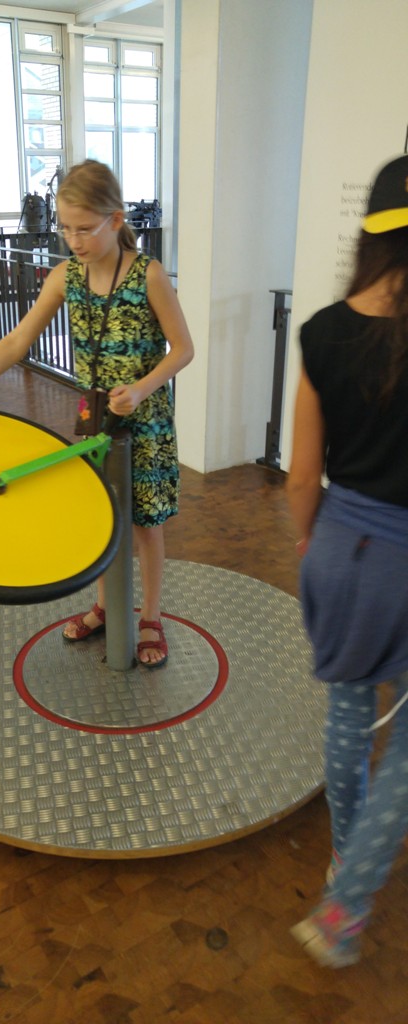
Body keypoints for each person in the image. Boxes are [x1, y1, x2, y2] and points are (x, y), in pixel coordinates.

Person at [0, 159, 194, 667]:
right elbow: (16, 342)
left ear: (115, 220)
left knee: (145, 523)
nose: (73, 240)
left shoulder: (148, 274)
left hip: (145, 418)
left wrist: (140, 389)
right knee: (98, 515)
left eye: (84, 228)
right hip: (92, 416)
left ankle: (151, 616)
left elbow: (182, 349)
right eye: (65, 228)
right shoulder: (64, 277)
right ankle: (104, 606)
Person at [286, 154, 408, 968]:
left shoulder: (325, 331)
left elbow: (302, 477)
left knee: (347, 712)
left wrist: (313, 543)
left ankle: (343, 853)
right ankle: (345, 908)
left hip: (343, 546)